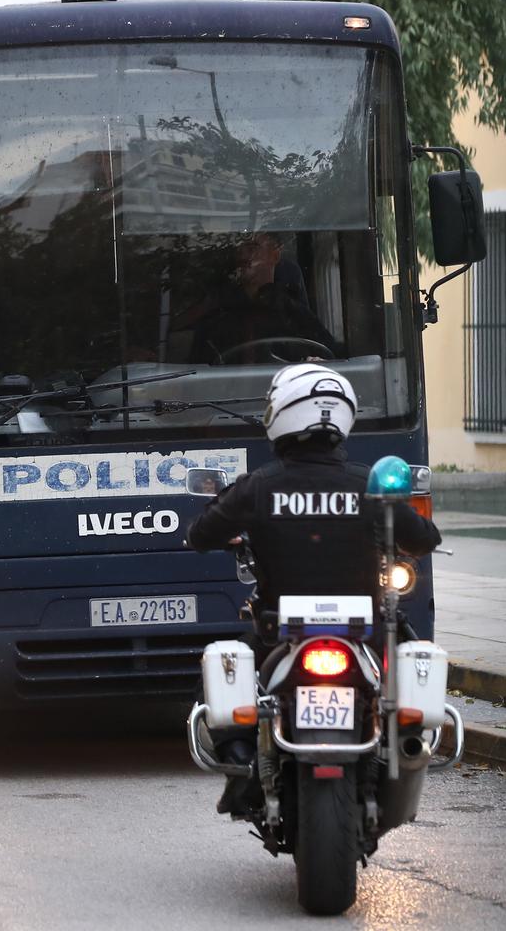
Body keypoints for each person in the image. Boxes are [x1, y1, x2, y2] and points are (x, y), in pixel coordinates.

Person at [187, 363, 441, 812]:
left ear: (280, 413)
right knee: (403, 651)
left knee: (232, 673)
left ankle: (242, 759)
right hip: (360, 631)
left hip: (279, 632)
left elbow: (201, 534)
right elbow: (424, 538)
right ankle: (406, 744)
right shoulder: (368, 484)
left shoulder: (259, 486)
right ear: (342, 417)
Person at [190, 234, 340, 364]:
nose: (243, 255)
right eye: (238, 249)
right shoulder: (219, 315)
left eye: (252, 248)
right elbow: (197, 374)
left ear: (274, 256)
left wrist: (317, 362)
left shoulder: (293, 313)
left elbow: (331, 358)